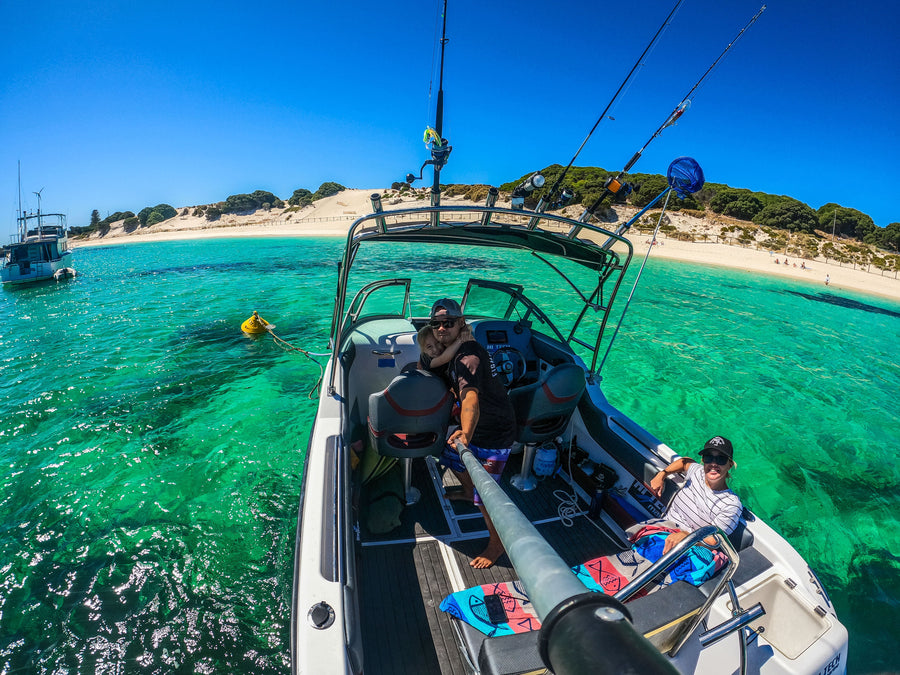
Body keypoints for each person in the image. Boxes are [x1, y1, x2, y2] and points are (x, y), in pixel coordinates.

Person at [429, 298, 517, 569]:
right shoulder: (460, 350)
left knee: (487, 494)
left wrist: (465, 433)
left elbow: (470, 400)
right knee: (446, 452)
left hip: (495, 433)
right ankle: (468, 491)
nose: (442, 329)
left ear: (460, 324)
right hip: (478, 427)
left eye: (449, 323)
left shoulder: (468, 357)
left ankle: (497, 543)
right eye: (436, 324)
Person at [647, 436, 743, 554]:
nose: (713, 464)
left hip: (684, 548)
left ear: (729, 465)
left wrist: (685, 537)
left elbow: (713, 541)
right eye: (708, 458)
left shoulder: (731, 504)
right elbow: (685, 462)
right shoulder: (697, 472)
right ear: (703, 461)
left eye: (721, 459)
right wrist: (662, 474)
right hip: (661, 529)